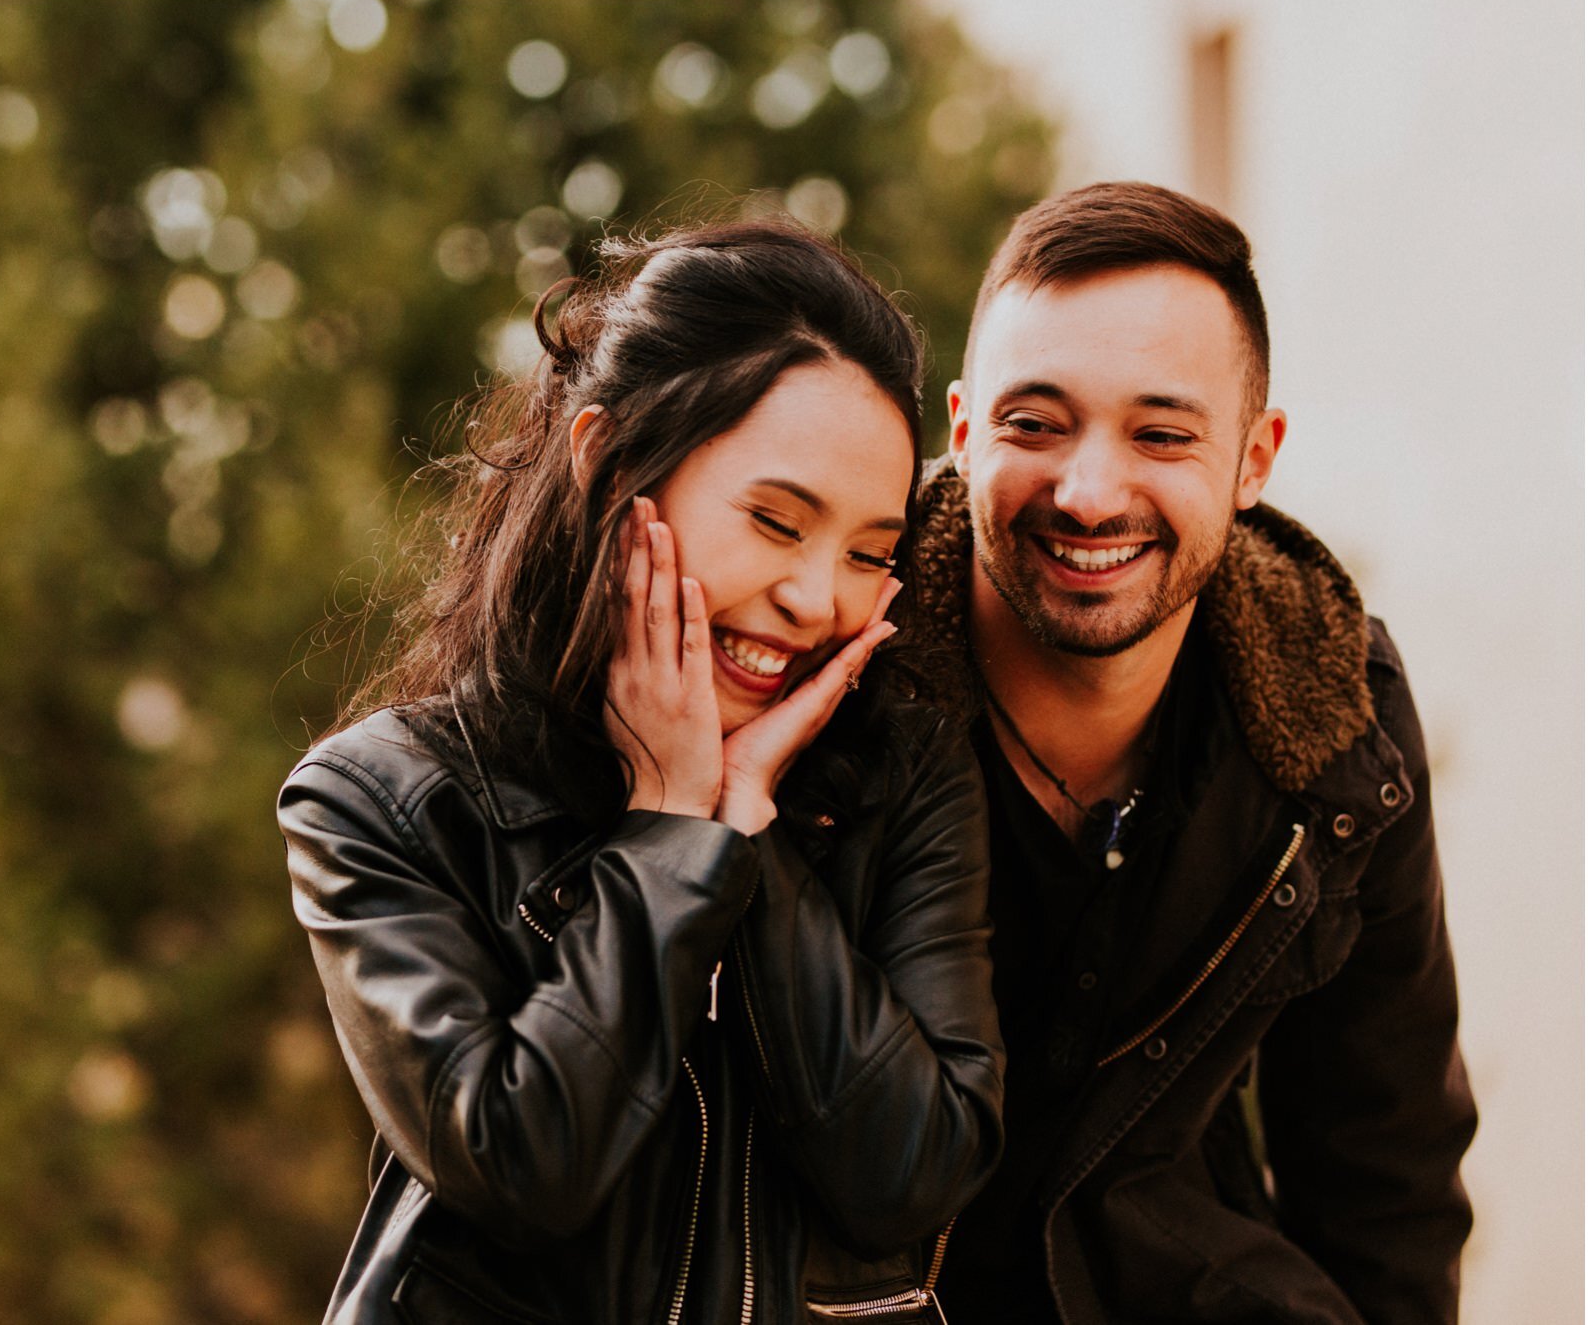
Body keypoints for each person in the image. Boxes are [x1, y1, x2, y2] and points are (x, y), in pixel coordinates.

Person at [278, 221, 1005, 1323]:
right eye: (774, 520)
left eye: (867, 553)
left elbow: (913, 1172)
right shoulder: (380, 799)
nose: (818, 599)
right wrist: (673, 836)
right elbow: (521, 1167)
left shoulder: (904, 780)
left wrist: (745, 834)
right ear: (607, 464)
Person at [911, 182, 1478, 1322]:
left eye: (1160, 434)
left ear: (1252, 458)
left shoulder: (1336, 713)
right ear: (964, 430)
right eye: (1035, 423)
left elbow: (1385, 1171)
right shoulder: (830, 669)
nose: (1086, 492)